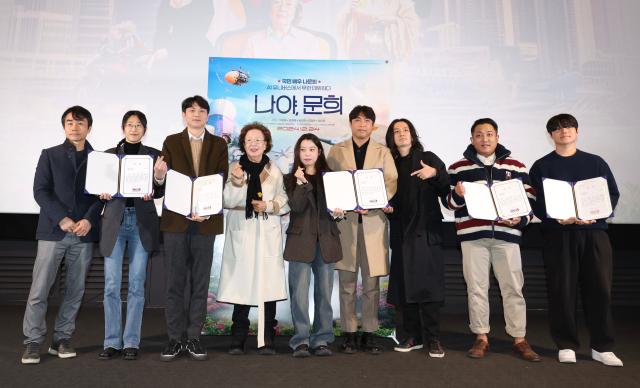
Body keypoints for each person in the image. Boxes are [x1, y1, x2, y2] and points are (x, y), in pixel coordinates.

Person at [529, 114, 622, 367]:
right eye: (557, 129)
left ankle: (602, 347)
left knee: (600, 291)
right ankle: (566, 344)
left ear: (577, 131)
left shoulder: (596, 162)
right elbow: (534, 202)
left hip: (594, 235)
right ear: (551, 136)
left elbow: (612, 193)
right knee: (562, 291)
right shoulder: (541, 166)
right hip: (560, 236)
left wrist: (595, 215)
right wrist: (557, 218)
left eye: (568, 127)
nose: (563, 132)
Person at [444, 118, 540, 362]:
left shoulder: (516, 166)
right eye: (479, 134)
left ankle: (519, 338)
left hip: (507, 237)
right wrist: (456, 194)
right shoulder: (457, 168)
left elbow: (530, 203)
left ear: (497, 137)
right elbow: (449, 204)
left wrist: (519, 220)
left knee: (513, 289)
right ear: (471, 139)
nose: (484, 139)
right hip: (472, 237)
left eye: (489, 134)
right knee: (476, 289)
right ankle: (481, 337)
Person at [22, 106, 103, 364]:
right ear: (64, 126)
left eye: (80, 123)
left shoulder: (100, 159)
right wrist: (62, 218)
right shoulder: (50, 155)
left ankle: (61, 339)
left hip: (84, 234)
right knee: (39, 290)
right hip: (52, 232)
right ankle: (33, 342)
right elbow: (40, 191)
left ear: (89, 127)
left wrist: (89, 219)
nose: (74, 127)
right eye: (69, 122)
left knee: (75, 290)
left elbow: (102, 196)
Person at [157, 95, 228, 361]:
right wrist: (159, 175)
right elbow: (166, 181)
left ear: (207, 115)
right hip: (176, 222)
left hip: (205, 223)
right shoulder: (171, 141)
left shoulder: (218, 144)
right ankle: (175, 339)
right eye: (191, 110)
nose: (196, 114)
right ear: (184, 115)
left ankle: (194, 338)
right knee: (175, 283)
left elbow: (219, 181)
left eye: (201, 110)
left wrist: (204, 211)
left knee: (200, 283)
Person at [326, 105, 397, 355]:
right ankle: (348, 333)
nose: (362, 125)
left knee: (371, 284)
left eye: (367, 121)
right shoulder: (336, 151)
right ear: (350, 123)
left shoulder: (383, 152)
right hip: (345, 225)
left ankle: (369, 333)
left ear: (373, 125)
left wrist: (375, 202)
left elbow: (391, 182)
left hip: (373, 224)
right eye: (357, 120)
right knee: (346, 282)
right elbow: (330, 183)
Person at [97, 111, 165, 361]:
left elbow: (160, 191)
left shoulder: (154, 155)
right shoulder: (108, 155)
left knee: (137, 285)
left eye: (138, 125)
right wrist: (101, 193)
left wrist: (157, 178)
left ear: (144, 129)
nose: (134, 129)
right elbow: (97, 187)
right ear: (123, 128)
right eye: (130, 125)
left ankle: (131, 342)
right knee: (111, 285)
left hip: (142, 222)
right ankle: (111, 342)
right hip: (114, 221)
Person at [218, 122, 289, 355]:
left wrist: (267, 205)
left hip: (267, 231)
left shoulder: (275, 170)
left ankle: (267, 338)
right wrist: (238, 182)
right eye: (249, 140)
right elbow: (226, 200)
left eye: (258, 140)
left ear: (266, 143)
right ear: (243, 144)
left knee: (268, 285)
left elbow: (284, 200)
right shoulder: (234, 168)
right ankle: (238, 338)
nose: (254, 144)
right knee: (242, 285)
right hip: (243, 231)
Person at [384, 118, 449, 358]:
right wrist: (388, 208)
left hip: (426, 234)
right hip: (402, 235)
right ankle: (413, 336)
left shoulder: (428, 158)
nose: (401, 134)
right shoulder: (389, 164)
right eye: (396, 131)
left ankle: (433, 338)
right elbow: (390, 199)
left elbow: (446, 190)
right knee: (405, 289)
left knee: (429, 289)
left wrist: (435, 173)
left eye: (405, 130)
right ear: (391, 137)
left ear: (413, 134)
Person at [283, 133, 343, 358]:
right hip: (300, 242)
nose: (307, 153)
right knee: (298, 295)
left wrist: (339, 213)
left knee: (324, 295)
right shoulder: (289, 179)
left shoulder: (332, 178)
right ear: (298, 153)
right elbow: (297, 207)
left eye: (312, 149)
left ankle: (322, 340)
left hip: (326, 240)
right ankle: (300, 341)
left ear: (319, 152)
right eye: (303, 149)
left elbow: (337, 210)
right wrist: (301, 183)